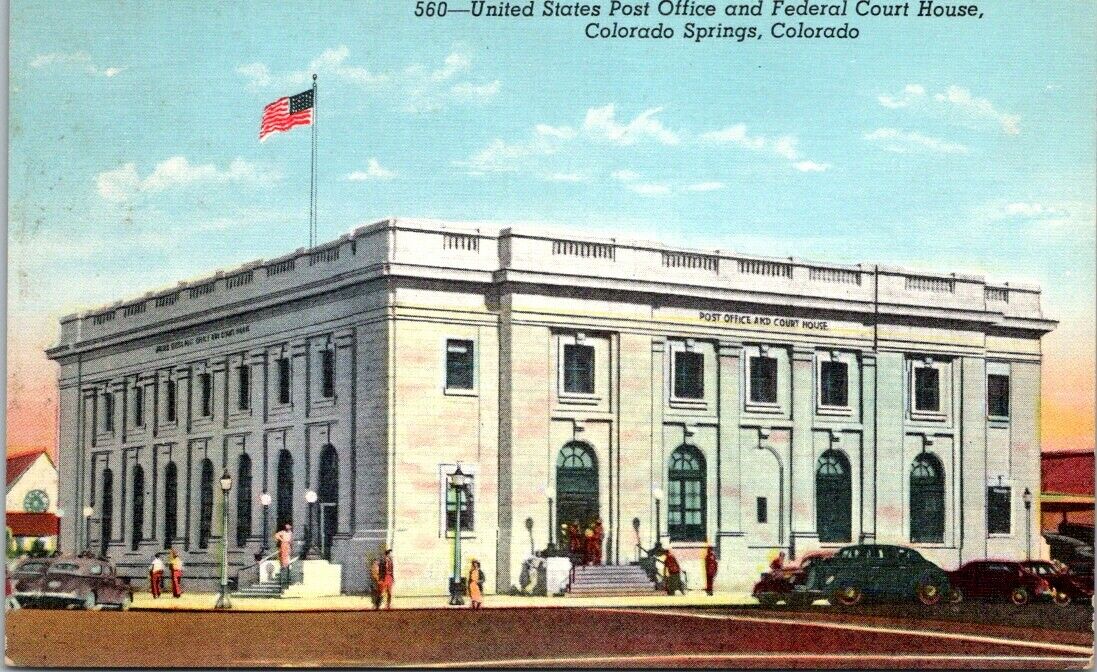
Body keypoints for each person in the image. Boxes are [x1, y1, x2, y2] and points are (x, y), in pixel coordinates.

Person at [274, 523, 293, 588]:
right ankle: (284, 566)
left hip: (288, 545)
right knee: (283, 556)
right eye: (287, 526)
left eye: (289, 526)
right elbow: (276, 535)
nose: (288, 527)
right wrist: (282, 540)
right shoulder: (283, 532)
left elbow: (291, 540)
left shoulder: (291, 533)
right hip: (284, 545)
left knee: (287, 556)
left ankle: (287, 567)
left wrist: (291, 545)